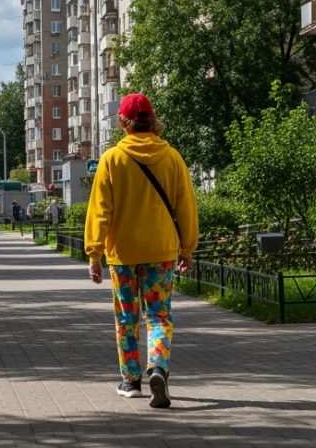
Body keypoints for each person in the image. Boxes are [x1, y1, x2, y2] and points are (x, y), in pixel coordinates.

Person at [84, 93, 198, 409]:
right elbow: (185, 206)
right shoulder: (172, 157)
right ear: (152, 120)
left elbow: (100, 210)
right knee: (159, 315)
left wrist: (94, 253)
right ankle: (158, 368)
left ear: (124, 123)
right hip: (161, 250)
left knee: (127, 316)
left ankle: (130, 380)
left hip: (122, 253)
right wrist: (187, 246)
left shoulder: (111, 159)